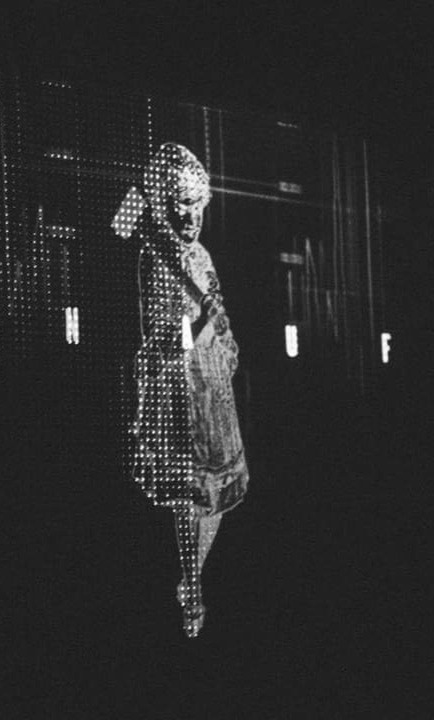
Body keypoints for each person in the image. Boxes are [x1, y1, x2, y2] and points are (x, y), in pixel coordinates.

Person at [130, 143, 249, 638]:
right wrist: (195, 321)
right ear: (163, 202)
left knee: (215, 497)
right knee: (187, 495)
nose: (192, 216)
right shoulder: (152, 257)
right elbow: (158, 334)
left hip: (212, 386)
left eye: (199, 205)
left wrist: (223, 332)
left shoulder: (201, 255)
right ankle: (192, 589)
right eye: (183, 203)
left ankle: (193, 575)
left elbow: (217, 306)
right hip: (176, 390)